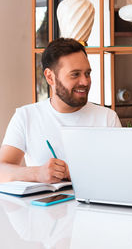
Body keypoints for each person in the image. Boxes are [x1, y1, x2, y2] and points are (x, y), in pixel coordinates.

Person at [0, 38, 121, 184]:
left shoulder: (107, 118)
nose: (85, 82)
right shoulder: (26, 116)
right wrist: (37, 173)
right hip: (42, 206)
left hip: (94, 205)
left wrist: (79, 172)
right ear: (50, 77)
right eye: (75, 74)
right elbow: (2, 170)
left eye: (87, 73)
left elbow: (120, 171)